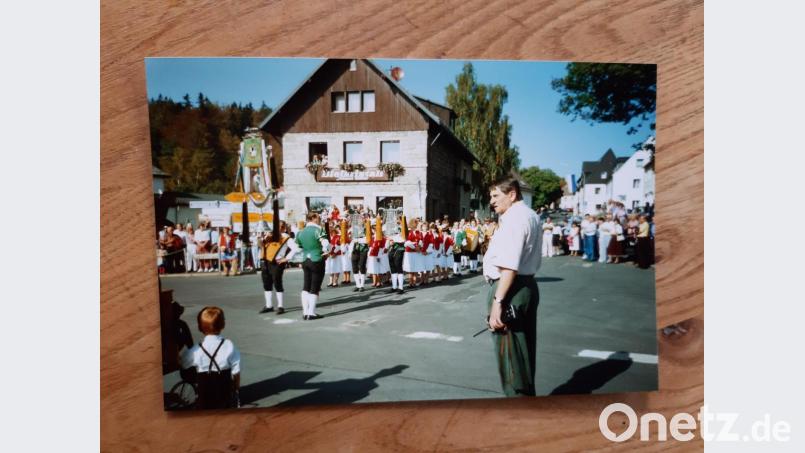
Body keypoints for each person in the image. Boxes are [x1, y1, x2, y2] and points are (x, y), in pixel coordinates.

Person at [483, 175, 541, 397]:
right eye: (491, 196)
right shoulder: (530, 215)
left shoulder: (515, 218)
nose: (492, 201)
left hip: (509, 288)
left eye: (496, 195)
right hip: (524, 286)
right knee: (524, 353)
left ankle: (518, 408)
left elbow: (509, 266)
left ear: (512, 194)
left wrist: (498, 302)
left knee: (511, 359)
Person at [180, 306, 241, 409]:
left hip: (204, 393)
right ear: (223, 325)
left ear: (200, 328)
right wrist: (236, 386)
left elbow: (184, 363)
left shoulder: (196, 350)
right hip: (224, 390)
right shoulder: (229, 345)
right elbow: (236, 371)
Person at [258, 221, 299, 315]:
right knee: (266, 284)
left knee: (277, 283)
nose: (278, 228)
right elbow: (261, 246)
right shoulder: (269, 235)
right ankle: (269, 305)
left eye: (281, 227)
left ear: (284, 228)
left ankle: (280, 306)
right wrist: (261, 238)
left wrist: (287, 258)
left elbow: (296, 248)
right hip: (266, 262)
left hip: (277, 262)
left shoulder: (286, 237)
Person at [295, 212, 330, 320]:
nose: (319, 219)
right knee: (315, 287)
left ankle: (305, 312)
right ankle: (311, 313)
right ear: (313, 218)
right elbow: (326, 243)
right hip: (316, 259)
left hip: (305, 260)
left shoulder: (300, 232)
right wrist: (326, 251)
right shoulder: (318, 230)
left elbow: (298, 248)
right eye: (318, 217)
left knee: (306, 286)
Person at [403, 219, 422, 287]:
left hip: (416, 252)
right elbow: (407, 242)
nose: (416, 225)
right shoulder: (408, 232)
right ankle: (410, 282)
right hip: (410, 252)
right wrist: (415, 248)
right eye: (415, 223)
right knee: (410, 268)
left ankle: (414, 282)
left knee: (415, 268)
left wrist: (419, 247)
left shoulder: (418, 232)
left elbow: (420, 241)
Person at [388, 224, 406, 294]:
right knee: (392, 269)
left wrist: (393, 239)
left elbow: (403, 239)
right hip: (392, 250)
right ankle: (394, 287)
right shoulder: (390, 228)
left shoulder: (401, 227)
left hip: (399, 249)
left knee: (399, 268)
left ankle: (401, 288)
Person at [325, 221, 342, 287]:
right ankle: (330, 281)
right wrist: (329, 253)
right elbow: (329, 246)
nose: (331, 232)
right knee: (330, 268)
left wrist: (334, 253)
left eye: (331, 231)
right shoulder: (329, 238)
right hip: (330, 255)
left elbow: (339, 246)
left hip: (337, 255)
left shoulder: (338, 237)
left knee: (336, 268)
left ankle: (335, 281)